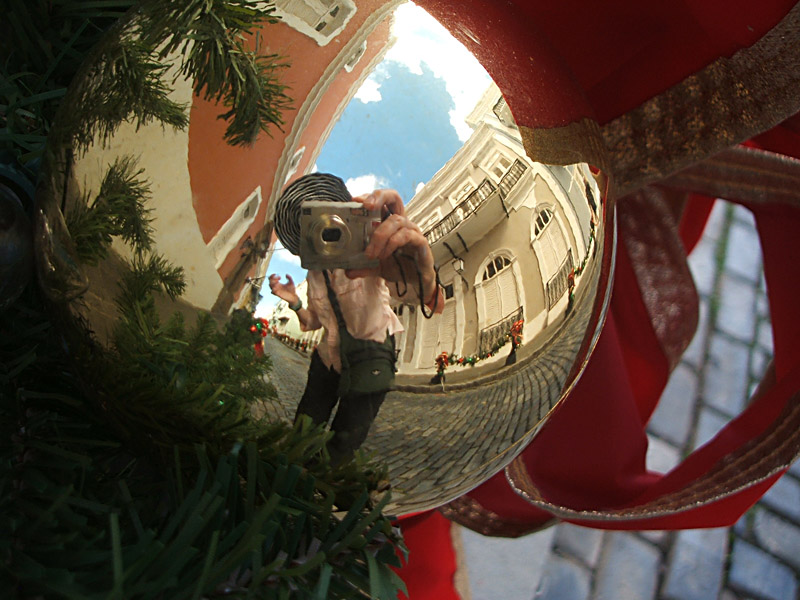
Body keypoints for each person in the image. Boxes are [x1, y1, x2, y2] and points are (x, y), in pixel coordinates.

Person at [269, 173, 443, 462]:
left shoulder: (372, 253)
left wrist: (422, 272)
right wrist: (295, 302)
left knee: (344, 443)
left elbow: (434, 304)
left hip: (370, 360)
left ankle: (325, 483)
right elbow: (311, 323)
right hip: (325, 362)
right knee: (303, 428)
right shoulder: (315, 275)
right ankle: (290, 476)